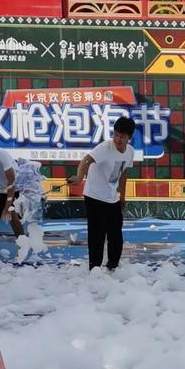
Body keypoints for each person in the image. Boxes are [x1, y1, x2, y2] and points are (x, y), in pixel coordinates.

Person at [69, 115, 134, 271]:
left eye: (122, 137)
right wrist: (79, 177)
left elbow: (123, 174)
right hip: (94, 195)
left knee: (116, 234)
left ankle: (113, 267)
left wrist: (122, 196)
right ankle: (95, 269)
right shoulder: (104, 148)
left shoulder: (130, 152)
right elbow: (85, 161)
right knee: (97, 234)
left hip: (112, 197)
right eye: (116, 135)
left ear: (129, 138)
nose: (118, 139)